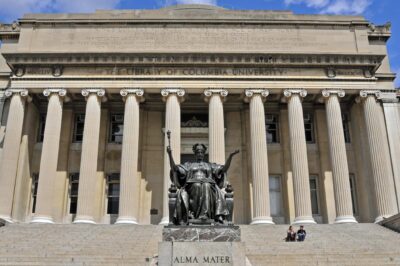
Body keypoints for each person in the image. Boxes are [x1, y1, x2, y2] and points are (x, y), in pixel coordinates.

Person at [167, 142, 239, 225]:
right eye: (198, 152)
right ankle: (193, 215)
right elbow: (175, 168)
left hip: (208, 185)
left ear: (204, 153)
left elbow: (223, 169)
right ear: (195, 154)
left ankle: (205, 215)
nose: (200, 154)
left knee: (206, 185)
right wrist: (170, 154)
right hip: (191, 185)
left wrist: (230, 156)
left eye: (201, 152)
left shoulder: (210, 165)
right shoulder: (189, 165)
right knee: (197, 185)